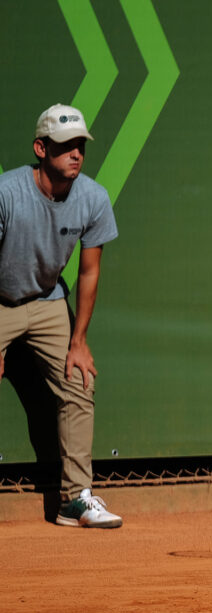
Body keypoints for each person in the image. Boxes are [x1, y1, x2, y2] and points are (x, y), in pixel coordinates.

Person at [0, 103, 122, 526]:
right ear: (40, 148)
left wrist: (79, 340)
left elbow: (89, 272)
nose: (75, 154)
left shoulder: (93, 197)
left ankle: (76, 499)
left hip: (50, 301)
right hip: (0, 302)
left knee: (79, 378)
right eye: (64, 146)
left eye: (79, 147)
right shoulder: (7, 193)